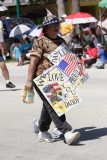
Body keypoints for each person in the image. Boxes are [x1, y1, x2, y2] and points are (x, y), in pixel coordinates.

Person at [25, 15, 80, 144]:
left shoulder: (61, 41)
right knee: (56, 104)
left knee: (49, 105)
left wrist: (74, 76)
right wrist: (29, 80)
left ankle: (42, 130)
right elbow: (33, 61)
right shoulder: (40, 41)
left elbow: (67, 61)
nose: (56, 27)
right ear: (46, 28)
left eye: (57, 24)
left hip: (57, 78)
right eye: (53, 25)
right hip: (42, 78)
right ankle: (66, 131)